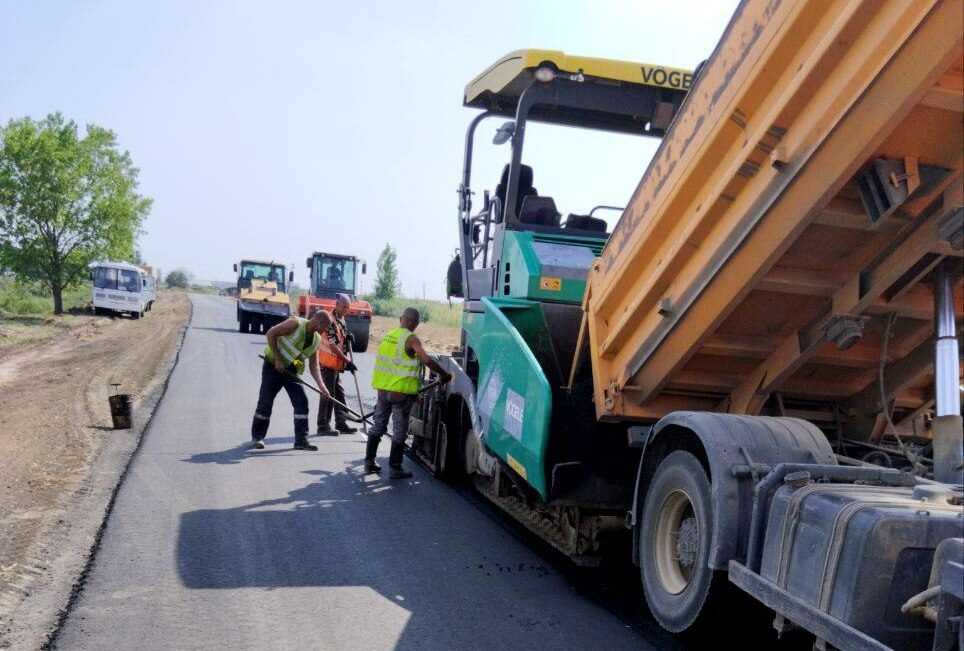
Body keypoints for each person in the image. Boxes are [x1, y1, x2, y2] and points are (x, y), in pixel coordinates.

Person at [365, 307, 452, 478]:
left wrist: (414, 393)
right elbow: (426, 360)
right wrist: (444, 374)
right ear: (416, 323)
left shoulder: (389, 336)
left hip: (383, 390)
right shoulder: (411, 339)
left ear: (401, 319)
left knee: (378, 425)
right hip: (400, 394)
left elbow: (393, 366)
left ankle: (369, 463)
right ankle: (396, 468)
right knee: (399, 432)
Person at [250, 311, 332, 451]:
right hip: (273, 366)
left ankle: (301, 440)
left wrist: (322, 386)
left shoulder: (316, 340)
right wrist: (277, 358)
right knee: (266, 401)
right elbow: (271, 333)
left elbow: (314, 366)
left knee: (301, 402)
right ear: (319, 322)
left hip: (291, 372)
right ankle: (257, 437)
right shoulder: (296, 323)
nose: (325, 330)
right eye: (325, 327)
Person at [316, 294, 358, 435]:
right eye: (344, 306)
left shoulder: (341, 319)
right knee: (328, 395)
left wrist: (347, 337)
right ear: (337, 304)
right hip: (327, 363)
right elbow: (333, 346)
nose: (347, 310)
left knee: (339, 394)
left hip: (335, 365)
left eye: (348, 307)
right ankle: (323, 426)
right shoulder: (330, 321)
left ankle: (341, 423)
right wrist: (348, 362)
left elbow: (340, 338)